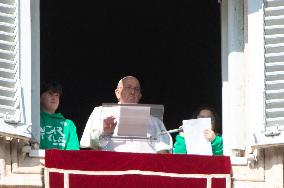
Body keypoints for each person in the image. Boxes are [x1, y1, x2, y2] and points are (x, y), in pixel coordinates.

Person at [80, 76, 171, 153]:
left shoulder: (154, 121)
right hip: (112, 166)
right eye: (128, 87)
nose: (132, 92)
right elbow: (92, 148)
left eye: (136, 89)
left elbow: (163, 152)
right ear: (117, 93)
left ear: (140, 95)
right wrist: (105, 132)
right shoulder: (100, 112)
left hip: (145, 168)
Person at [40, 81, 80, 150]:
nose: (54, 98)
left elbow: (73, 153)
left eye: (57, 95)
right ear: (40, 97)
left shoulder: (69, 124)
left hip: (62, 161)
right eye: (50, 94)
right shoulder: (32, 120)